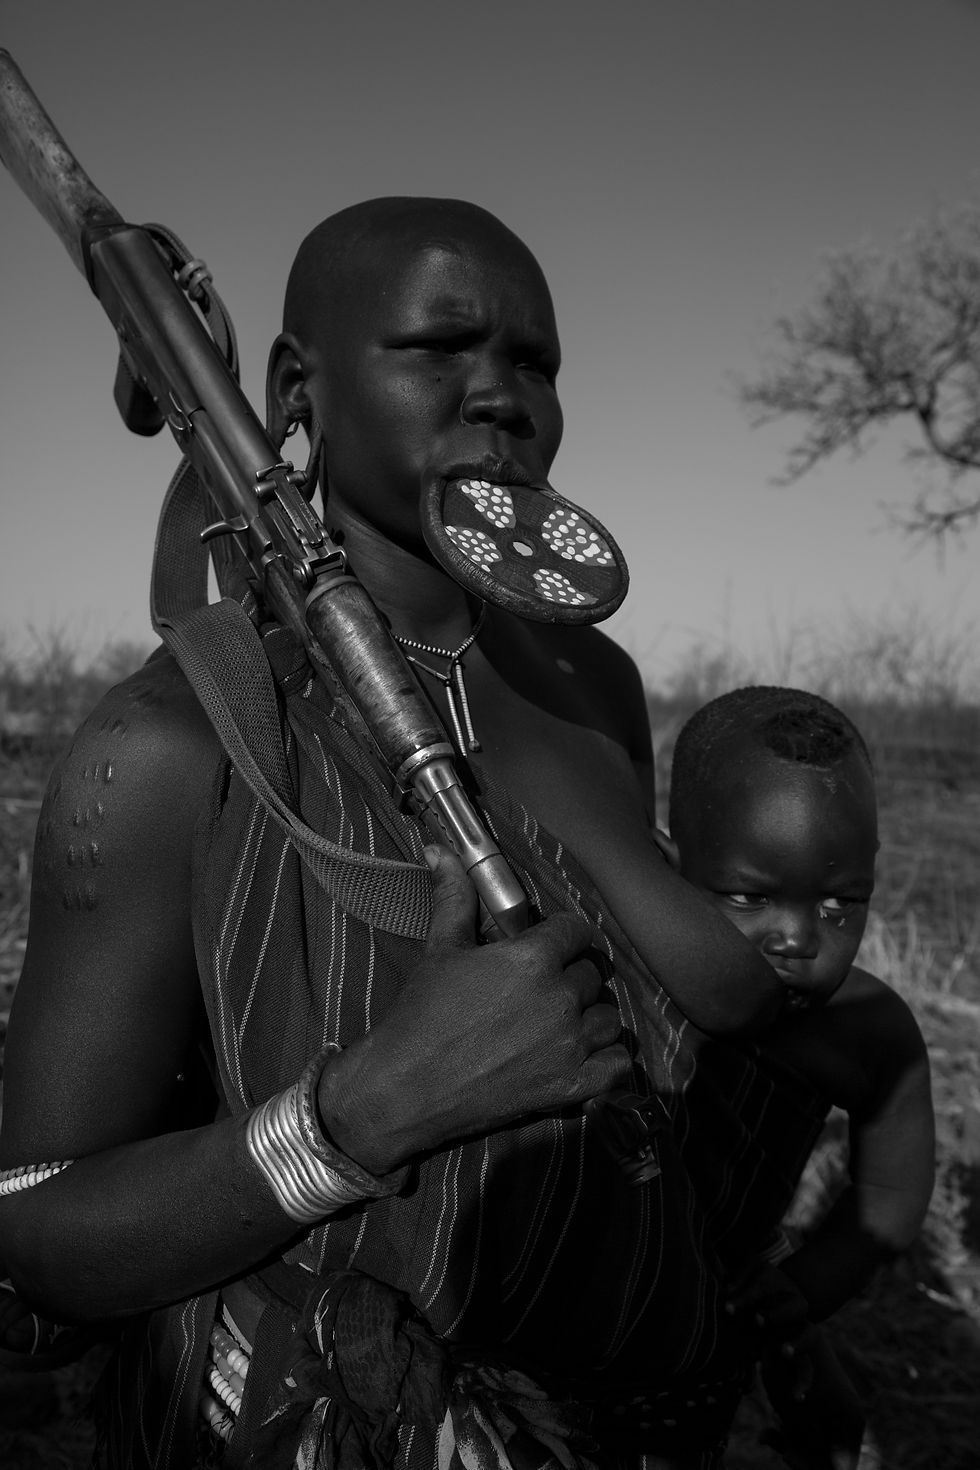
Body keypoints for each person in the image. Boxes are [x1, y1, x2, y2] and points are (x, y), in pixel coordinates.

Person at [0, 197, 789, 1469]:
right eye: (439, 348)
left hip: (616, 1414)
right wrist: (362, 1116)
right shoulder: (172, 744)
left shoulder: (594, 686)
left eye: (533, 361)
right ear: (294, 388)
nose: (500, 396)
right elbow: (35, 1233)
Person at [654, 685, 936, 1469]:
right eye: (751, 897)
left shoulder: (869, 1033)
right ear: (670, 867)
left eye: (843, 904)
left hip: (721, 1327)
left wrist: (799, 1297)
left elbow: (889, 1198)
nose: (799, 939)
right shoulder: (631, 969)